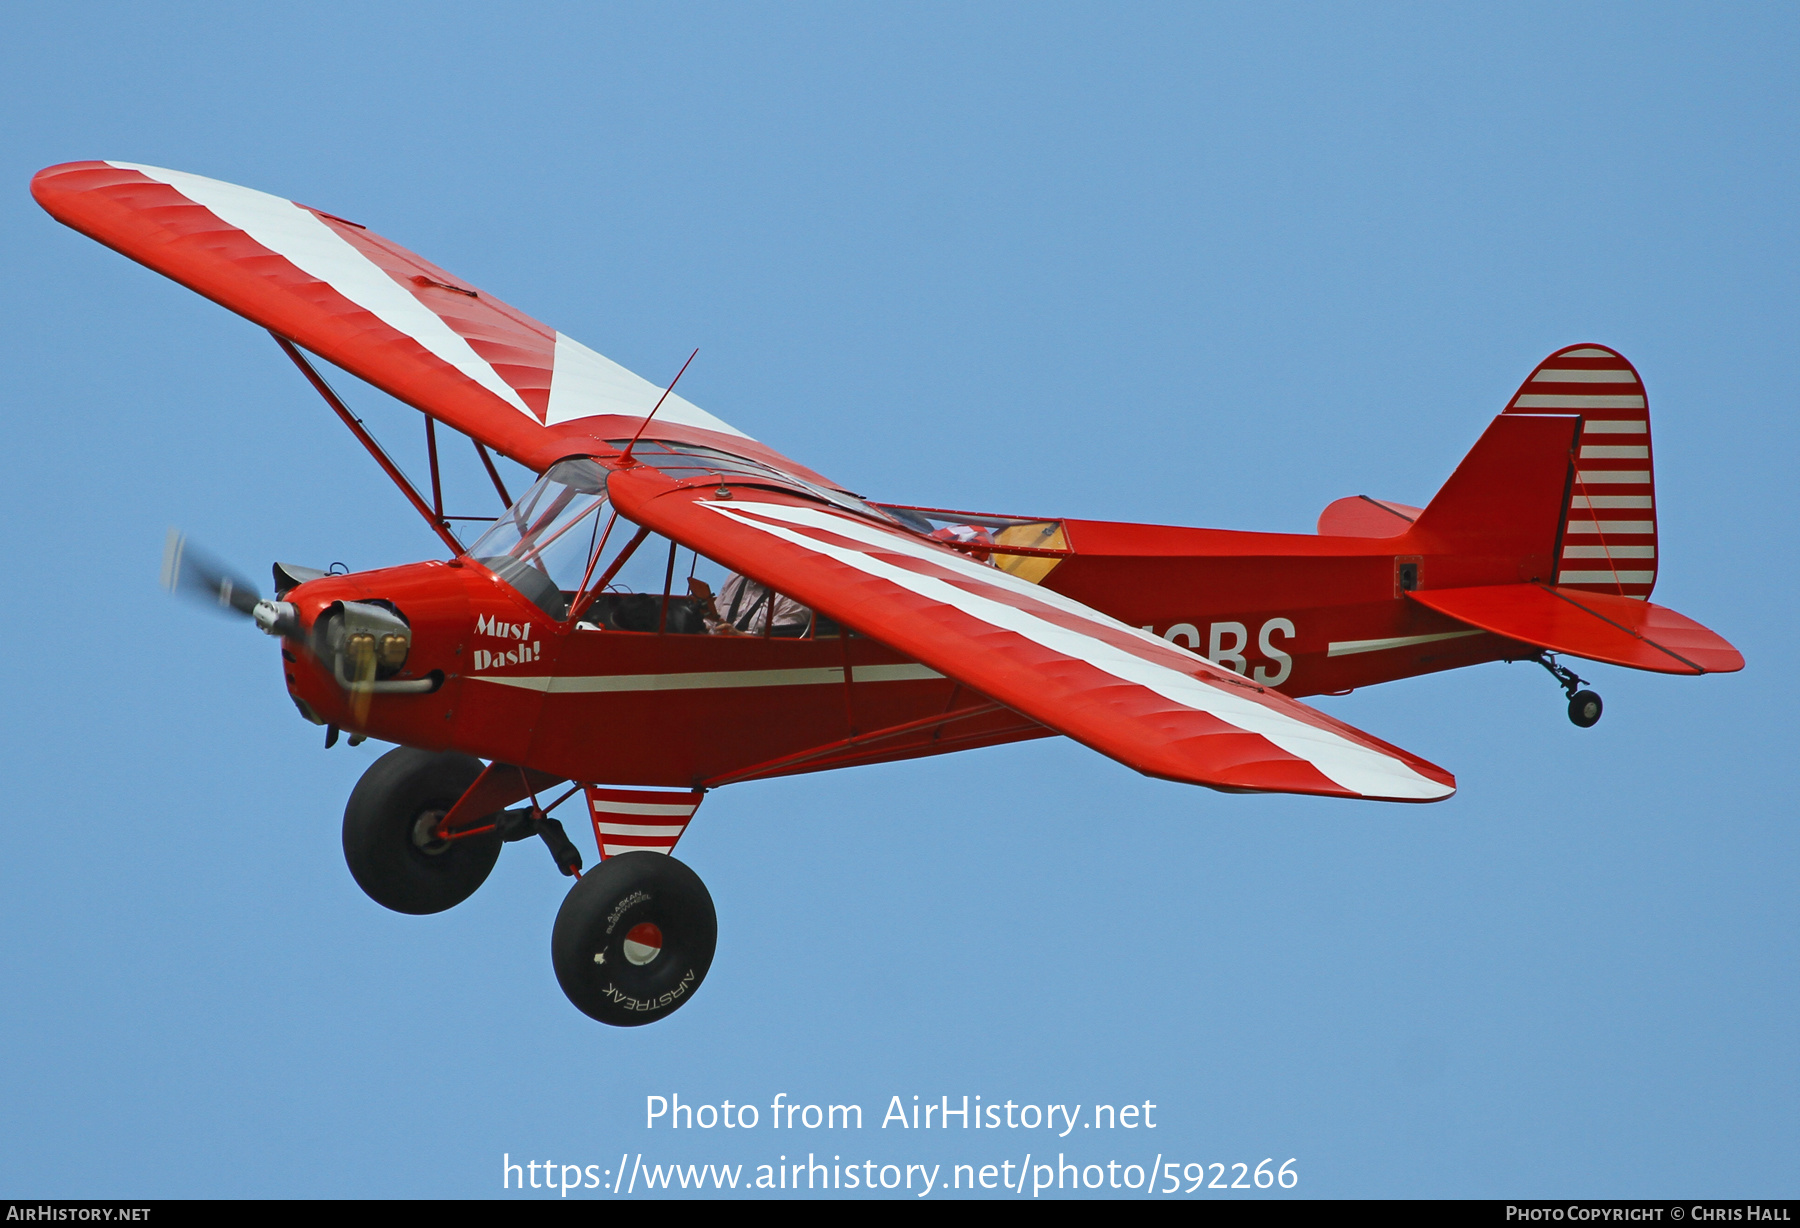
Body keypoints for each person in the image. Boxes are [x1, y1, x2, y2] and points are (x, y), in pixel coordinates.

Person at [687, 575, 812, 637]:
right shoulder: (735, 577)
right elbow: (713, 617)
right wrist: (703, 627)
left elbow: (781, 645)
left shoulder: (794, 595)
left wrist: (738, 635)